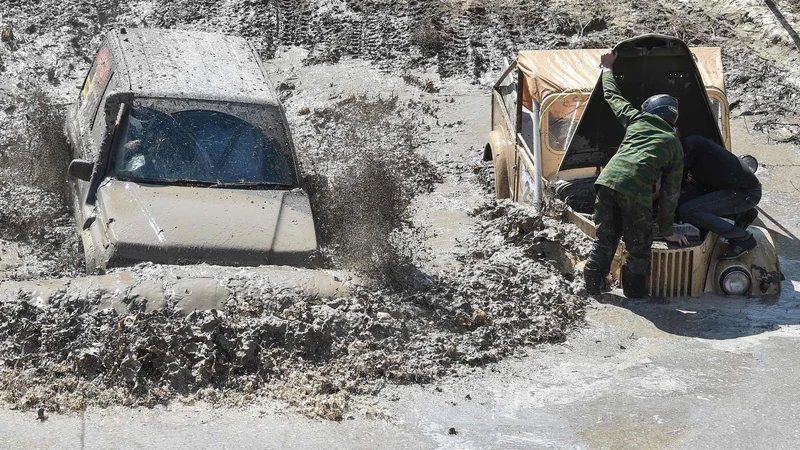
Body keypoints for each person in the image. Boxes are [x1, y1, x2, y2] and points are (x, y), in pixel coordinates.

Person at [583, 51, 687, 298]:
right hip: (636, 190)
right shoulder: (674, 144)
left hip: (606, 183)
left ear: (651, 110)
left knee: (605, 237)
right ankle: (634, 295)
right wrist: (667, 230)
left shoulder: (636, 119)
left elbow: (613, 96)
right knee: (639, 247)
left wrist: (607, 68)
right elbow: (671, 193)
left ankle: (592, 284)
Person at [678, 135, 761, 258]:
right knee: (681, 204)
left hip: (745, 192)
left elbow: (666, 186)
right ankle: (741, 214)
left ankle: (742, 238)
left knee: (688, 211)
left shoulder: (692, 147)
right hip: (724, 188)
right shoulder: (689, 147)